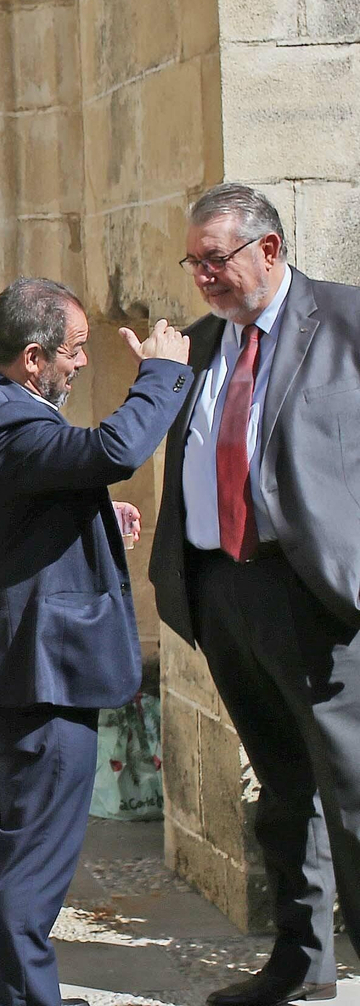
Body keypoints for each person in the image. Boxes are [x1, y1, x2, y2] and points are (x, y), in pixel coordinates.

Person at [0, 277, 193, 1006]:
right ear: (33, 356)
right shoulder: (6, 420)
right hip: (40, 683)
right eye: (74, 352)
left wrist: (90, 516)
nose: (80, 365)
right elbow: (113, 448)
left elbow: (18, 522)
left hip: (18, 677)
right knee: (29, 879)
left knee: (0, 859)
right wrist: (163, 374)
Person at [150, 183, 360, 1006]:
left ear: (268, 250)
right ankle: (303, 961)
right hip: (222, 590)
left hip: (317, 596)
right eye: (193, 261)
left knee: (352, 795)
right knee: (281, 790)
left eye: (217, 259)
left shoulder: (345, 323)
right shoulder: (200, 346)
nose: (203, 275)